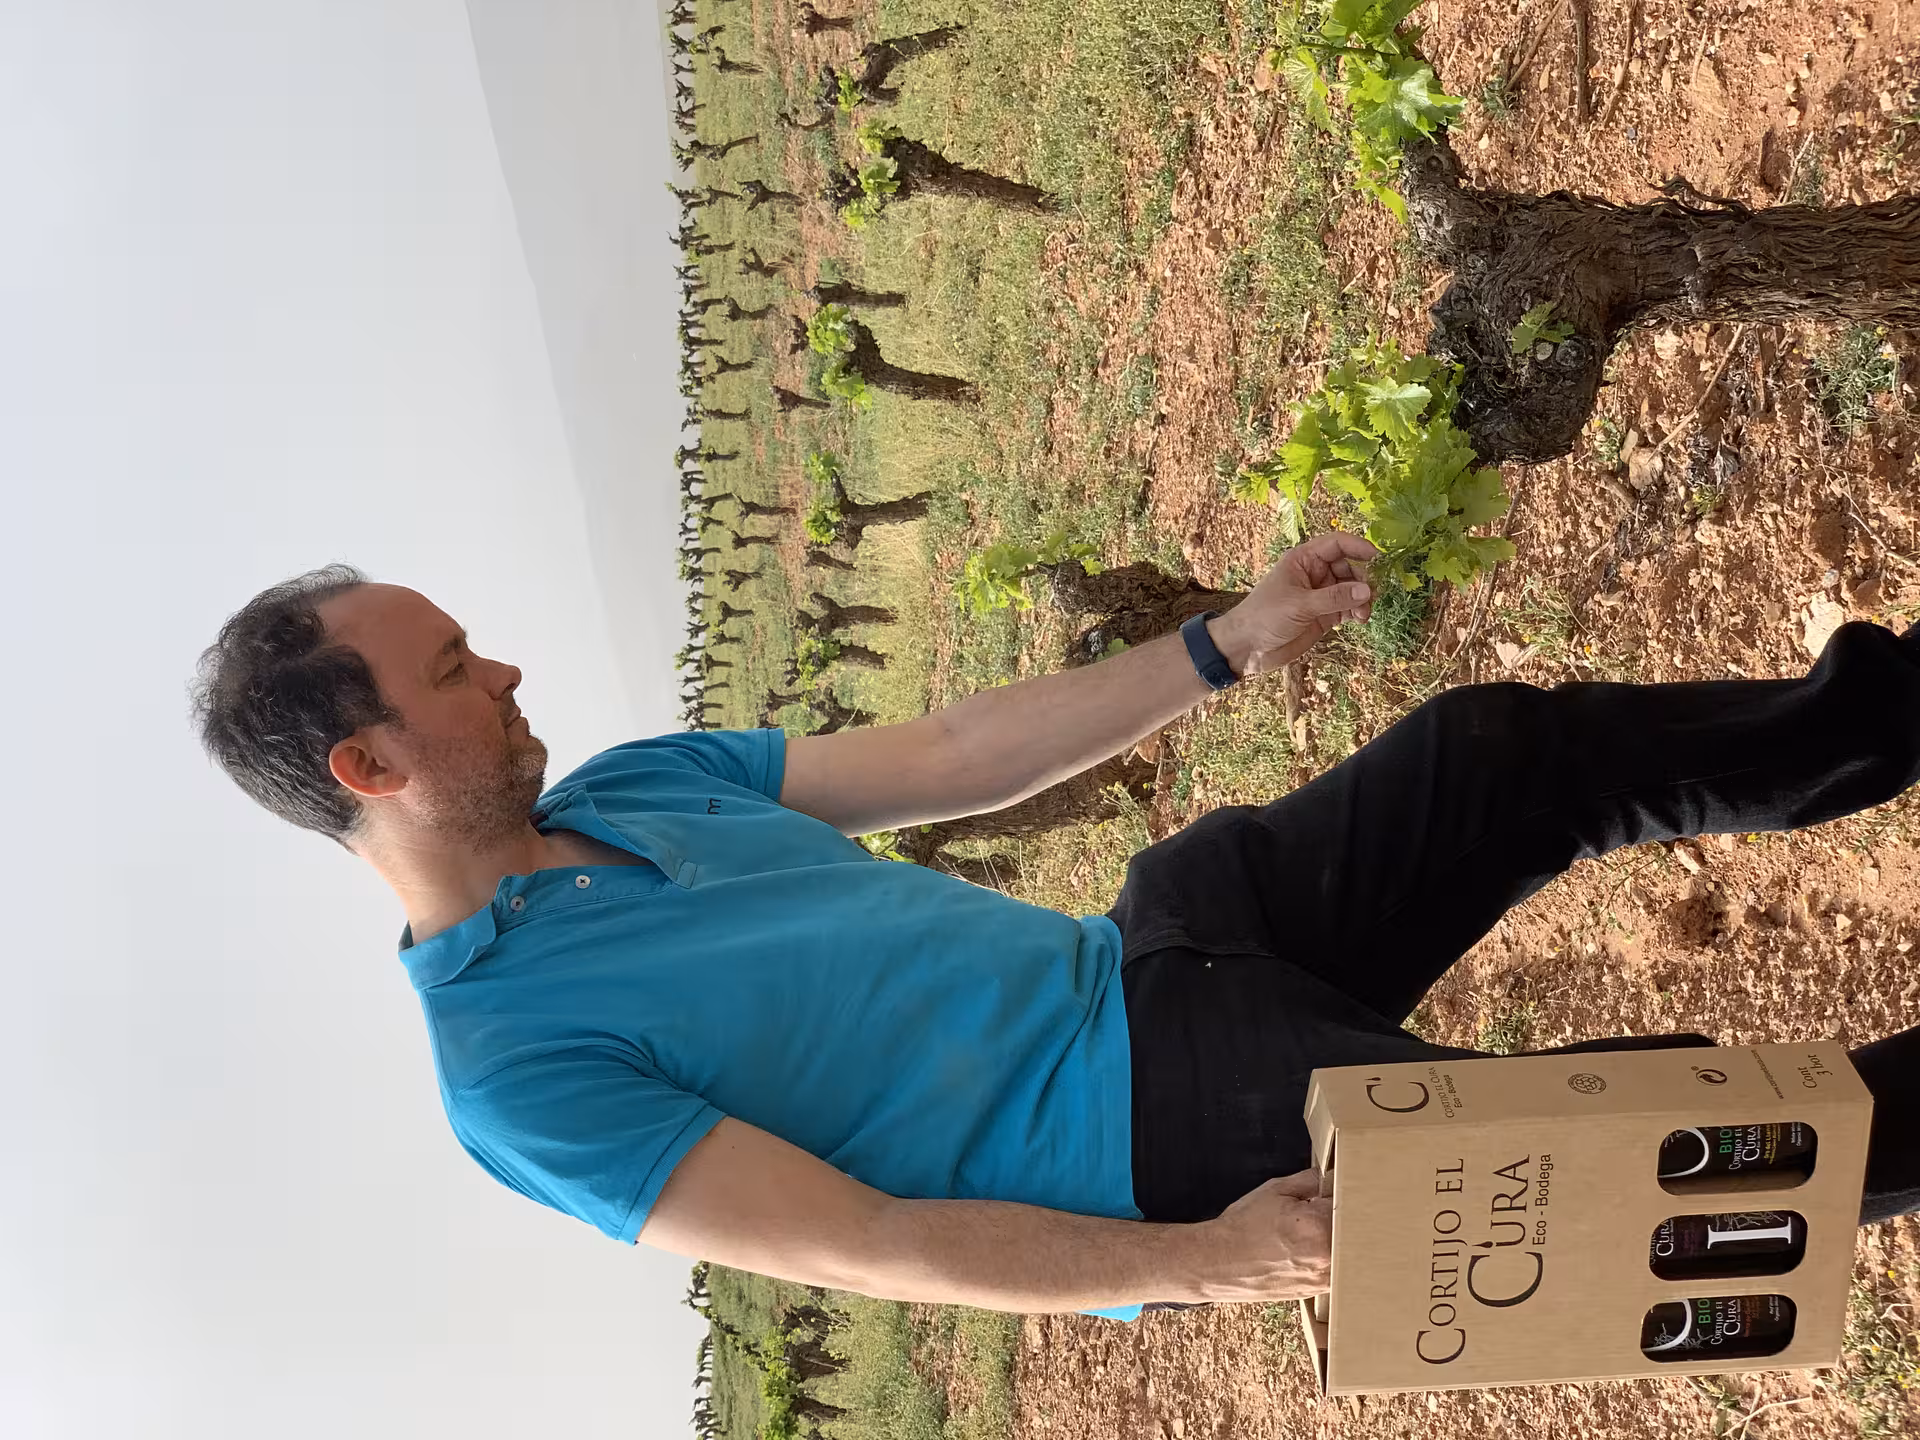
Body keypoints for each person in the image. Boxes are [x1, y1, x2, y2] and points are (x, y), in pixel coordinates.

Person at [190, 537, 1919, 1320]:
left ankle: (1887, 715)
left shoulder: (644, 783)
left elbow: (945, 758)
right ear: (370, 765)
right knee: (1684, 1146)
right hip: (1159, 1142)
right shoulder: (517, 1073)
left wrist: (1219, 647)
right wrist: (1204, 1261)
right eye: (451, 674)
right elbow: (865, 1242)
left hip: (1153, 951)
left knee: (1492, 756)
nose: (501, 672)